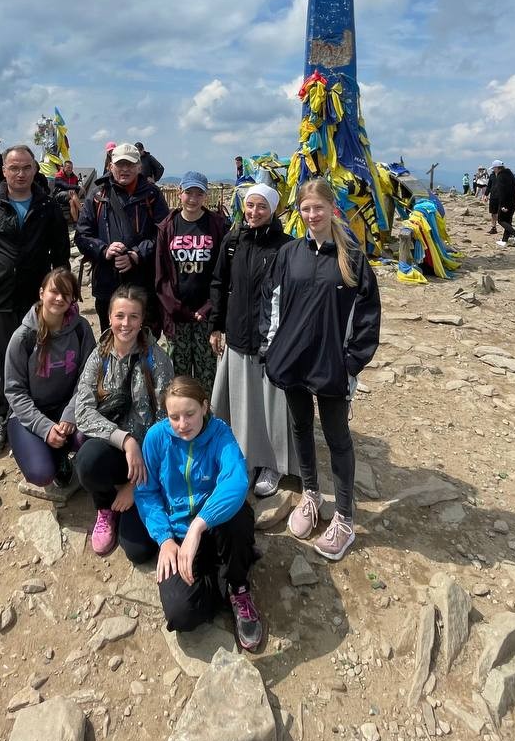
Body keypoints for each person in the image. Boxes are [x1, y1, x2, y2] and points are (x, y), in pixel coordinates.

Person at [261, 177, 381, 560]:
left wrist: (352, 363)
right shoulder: (289, 254)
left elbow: (368, 316)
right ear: (299, 212)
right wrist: (272, 348)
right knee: (300, 427)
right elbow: (271, 301)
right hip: (294, 362)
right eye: (306, 208)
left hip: (332, 366)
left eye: (319, 208)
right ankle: (311, 494)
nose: (312, 215)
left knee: (337, 437)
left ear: (332, 209)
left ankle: (344, 518)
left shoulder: (353, 258)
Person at [135, 376, 262, 652]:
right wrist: (165, 539)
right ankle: (225, 574)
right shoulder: (156, 438)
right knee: (181, 614)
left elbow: (237, 480)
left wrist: (199, 525)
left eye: (190, 414)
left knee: (238, 517)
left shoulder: (220, 434)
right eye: (174, 417)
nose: (182, 424)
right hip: (177, 533)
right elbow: (146, 493)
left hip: (214, 526)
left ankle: (238, 588)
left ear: (204, 407)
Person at [0, 145, 71, 454]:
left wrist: (63, 295)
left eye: (26, 168)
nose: (20, 174)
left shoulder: (48, 206)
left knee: (38, 356)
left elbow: (61, 255)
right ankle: (0, 415)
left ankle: (32, 413)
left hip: (37, 299)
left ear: (35, 170)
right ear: (4, 171)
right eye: (14, 168)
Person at [71, 285, 173, 558]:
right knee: (87, 460)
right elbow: (83, 411)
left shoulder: (158, 360)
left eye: (133, 316)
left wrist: (134, 486)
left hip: (149, 459)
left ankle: (137, 494)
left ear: (142, 320)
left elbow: (167, 424)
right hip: (116, 448)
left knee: (139, 550)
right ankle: (105, 507)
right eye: (119, 316)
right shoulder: (99, 356)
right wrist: (126, 441)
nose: (125, 324)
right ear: (109, 317)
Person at [210, 183, 297, 499]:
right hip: (236, 335)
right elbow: (219, 283)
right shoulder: (233, 241)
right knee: (241, 405)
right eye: (250, 205)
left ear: (273, 210)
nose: (254, 212)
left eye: (262, 207)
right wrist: (215, 327)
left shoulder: (287, 247)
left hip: (271, 342)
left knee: (271, 407)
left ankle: (272, 464)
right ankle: (242, 459)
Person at [4, 268, 95, 488]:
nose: (59, 298)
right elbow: (15, 391)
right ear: (41, 293)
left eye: (66, 294)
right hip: (29, 413)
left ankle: (61, 450)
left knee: (90, 441)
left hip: (69, 408)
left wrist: (71, 413)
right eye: (54, 291)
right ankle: (51, 452)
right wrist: (44, 428)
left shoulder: (81, 329)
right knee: (41, 474)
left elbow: (89, 377)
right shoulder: (23, 337)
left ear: (72, 299)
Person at [75, 141, 169, 332]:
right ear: (111, 166)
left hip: (143, 281)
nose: (125, 169)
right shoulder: (98, 195)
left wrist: (136, 254)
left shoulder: (152, 195)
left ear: (139, 166)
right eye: (120, 164)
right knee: (110, 336)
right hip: (107, 281)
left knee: (145, 336)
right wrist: (104, 250)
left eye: (130, 164)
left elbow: (164, 234)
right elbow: (82, 235)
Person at [155, 172, 228, 393]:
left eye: (199, 193)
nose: (193, 199)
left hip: (206, 315)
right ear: (179, 193)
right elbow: (161, 275)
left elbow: (223, 272)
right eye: (189, 192)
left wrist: (208, 308)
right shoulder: (167, 227)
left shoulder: (217, 225)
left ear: (206, 196)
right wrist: (178, 309)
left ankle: (206, 412)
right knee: (179, 376)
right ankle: (181, 413)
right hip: (177, 316)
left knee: (207, 375)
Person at [487, 159, 515, 245]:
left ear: (497, 168)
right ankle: (505, 241)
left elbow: (502, 192)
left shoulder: (501, 176)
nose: (493, 170)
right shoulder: (511, 175)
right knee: (508, 221)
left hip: (505, 202)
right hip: (513, 202)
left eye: (494, 168)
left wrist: (503, 205)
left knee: (501, 220)